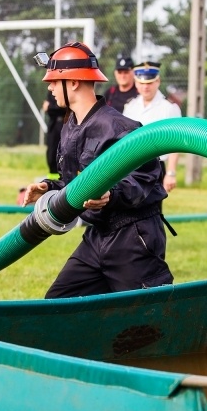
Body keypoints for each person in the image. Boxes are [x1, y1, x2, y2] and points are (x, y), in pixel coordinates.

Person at [23, 42, 174, 298]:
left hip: (133, 237)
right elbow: (77, 182)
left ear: (73, 83)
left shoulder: (120, 127)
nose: (49, 87)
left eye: (53, 81)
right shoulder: (70, 127)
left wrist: (112, 195)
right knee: (57, 303)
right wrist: (49, 187)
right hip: (97, 237)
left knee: (146, 319)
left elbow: (147, 178)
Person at [123, 61, 182, 192]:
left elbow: (176, 142)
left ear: (158, 81)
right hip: (131, 165)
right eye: (141, 83)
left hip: (156, 167)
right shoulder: (130, 106)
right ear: (136, 83)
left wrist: (171, 173)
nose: (145, 87)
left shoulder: (169, 107)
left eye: (149, 83)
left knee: (152, 210)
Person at [41, 89, 65, 179]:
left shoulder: (65, 86)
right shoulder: (51, 89)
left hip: (63, 123)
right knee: (51, 153)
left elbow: (65, 107)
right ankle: (52, 181)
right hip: (53, 124)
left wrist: (50, 107)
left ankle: (60, 179)